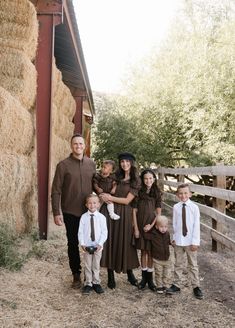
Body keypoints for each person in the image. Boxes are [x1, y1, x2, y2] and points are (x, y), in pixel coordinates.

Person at [51, 133, 96, 288]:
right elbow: (56, 190)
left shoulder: (91, 164)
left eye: (81, 144)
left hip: (88, 212)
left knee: (90, 242)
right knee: (72, 243)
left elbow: (96, 185)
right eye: (75, 144)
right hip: (70, 211)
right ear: (71, 146)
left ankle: (90, 276)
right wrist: (57, 212)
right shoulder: (63, 165)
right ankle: (76, 274)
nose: (78, 146)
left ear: (85, 146)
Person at [99, 152, 141, 289]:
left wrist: (110, 198)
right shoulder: (116, 176)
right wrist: (103, 195)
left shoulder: (135, 180)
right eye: (122, 162)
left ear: (131, 163)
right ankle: (111, 276)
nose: (124, 164)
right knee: (110, 242)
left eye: (127, 161)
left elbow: (128, 200)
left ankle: (130, 274)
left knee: (125, 242)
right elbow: (106, 188)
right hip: (109, 212)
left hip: (124, 213)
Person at [166, 183, 204, 299]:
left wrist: (195, 242)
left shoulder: (194, 208)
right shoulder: (176, 207)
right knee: (178, 263)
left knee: (192, 264)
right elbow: (175, 224)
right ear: (177, 195)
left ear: (190, 194)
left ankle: (196, 286)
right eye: (180, 193)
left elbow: (196, 225)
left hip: (190, 241)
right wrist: (174, 238)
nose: (183, 195)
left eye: (185, 193)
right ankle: (177, 284)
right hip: (179, 240)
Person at [132, 168, 162, 291]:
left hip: (151, 226)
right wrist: (136, 228)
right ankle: (143, 278)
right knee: (143, 251)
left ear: (154, 179)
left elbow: (159, 213)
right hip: (140, 224)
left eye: (150, 178)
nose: (148, 180)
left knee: (150, 252)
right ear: (142, 180)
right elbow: (134, 211)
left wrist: (151, 225)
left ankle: (150, 279)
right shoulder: (139, 192)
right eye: (145, 178)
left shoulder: (157, 192)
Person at [78, 194, 108, 295]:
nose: (92, 205)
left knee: (96, 265)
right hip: (86, 246)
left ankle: (96, 283)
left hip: (98, 246)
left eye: (94, 203)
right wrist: (82, 243)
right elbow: (80, 232)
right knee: (87, 265)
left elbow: (104, 232)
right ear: (86, 205)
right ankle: (88, 284)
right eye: (90, 203)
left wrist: (100, 244)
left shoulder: (102, 218)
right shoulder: (83, 217)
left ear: (98, 204)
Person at [151, 215, 172, 294]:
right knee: (158, 273)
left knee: (166, 273)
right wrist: (147, 228)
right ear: (156, 227)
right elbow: (146, 236)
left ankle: (165, 285)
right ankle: (159, 286)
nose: (164, 229)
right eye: (161, 227)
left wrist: (171, 243)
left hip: (166, 258)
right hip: (157, 258)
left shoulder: (167, 234)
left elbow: (168, 242)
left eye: (165, 227)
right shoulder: (154, 234)